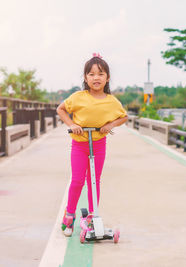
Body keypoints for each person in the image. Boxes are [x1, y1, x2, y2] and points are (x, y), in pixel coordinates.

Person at [56, 53, 128, 236]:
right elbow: (61, 109)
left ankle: (91, 217)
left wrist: (110, 125)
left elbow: (124, 116)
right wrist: (72, 124)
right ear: (86, 78)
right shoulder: (78, 97)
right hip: (80, 144)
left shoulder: (111, 101)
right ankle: (69, 214)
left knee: (94, 181)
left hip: (98, 143)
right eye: (92, 74)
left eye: (101, 74)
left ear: (108, 78)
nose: (96, 78)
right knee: (78, 180)